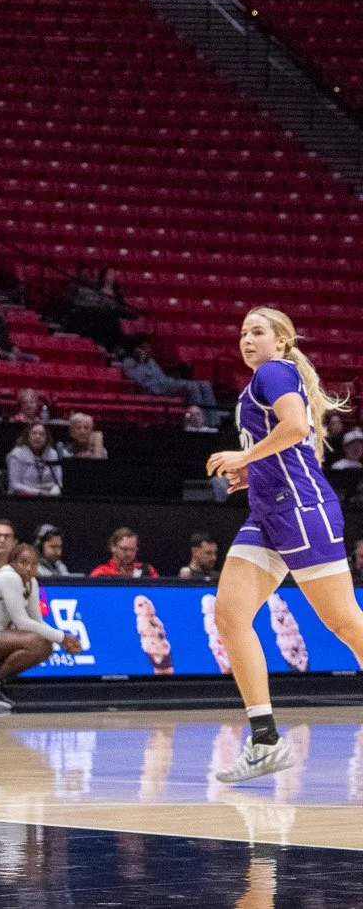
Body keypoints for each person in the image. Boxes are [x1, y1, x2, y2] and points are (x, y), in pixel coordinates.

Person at [201, 307, 363, 781]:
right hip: (269, 510)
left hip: (301, 510)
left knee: (346, 625)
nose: (247, 340)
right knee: (230, 616)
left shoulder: (274, 371)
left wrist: (244, 455)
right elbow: (291, 443)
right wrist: (254, 471)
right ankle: (266, 741)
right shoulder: (261, 381)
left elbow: (293, 428)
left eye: (258, 332)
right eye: (243, 333)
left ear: (282, 342)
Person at [0, 543, 80, 712]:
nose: (28, 568)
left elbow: (37, 622)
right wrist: (63, 638)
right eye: (23, 562)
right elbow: (22, 622)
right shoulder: (8, 577)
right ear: (12, 563)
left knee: (45, 646)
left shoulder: (31, 582)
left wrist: (59, 639)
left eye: (34, 564)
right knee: (37, 643)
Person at [120, 337, 218, 410]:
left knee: (205, 384)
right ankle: (201, 422)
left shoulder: (150, 360)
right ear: (137, 349)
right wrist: (141, 361)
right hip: (156, 389)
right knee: (192, 387)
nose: (148, 350)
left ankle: (214, 421)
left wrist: (147, 361)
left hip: (167, 383)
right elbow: (141, 380)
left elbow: (161, 376)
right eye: (145, 348)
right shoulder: (129, 362)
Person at [6, 422, 62, 497]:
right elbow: (14, 484)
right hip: (23, 498)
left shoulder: (53, 454)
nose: (37, 437)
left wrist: (54, 492)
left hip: (49, 497)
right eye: (34, 433)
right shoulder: (17, 454)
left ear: (47, 438)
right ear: (27, 436)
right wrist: (38, 493)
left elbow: (59, 481)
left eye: (42, 434)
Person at [89, 527, 159, 578]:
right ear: (113, 547)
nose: (129, 553)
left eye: (132, 549)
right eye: (124, 549)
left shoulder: (148, 570)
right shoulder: (100, 573)